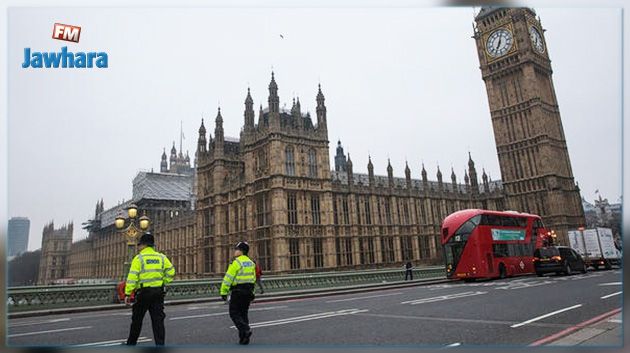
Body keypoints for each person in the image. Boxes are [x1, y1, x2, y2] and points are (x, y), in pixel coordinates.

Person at [124, 232, 175, 346]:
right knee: (158, 321)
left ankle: (131, 345)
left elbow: (132, 278)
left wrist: (127, 294)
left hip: (143, 293)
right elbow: (171, 272)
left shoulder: (139, 258)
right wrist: (163, 282)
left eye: (139, 245)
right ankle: (160, 345)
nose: (138, 247)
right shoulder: (161, 257)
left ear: (143, 245)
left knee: (137, 320)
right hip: (158, 292)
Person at [221, 241, 256, 345]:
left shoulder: (236, 263)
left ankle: (245, 329)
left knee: (234, 313)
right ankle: (244, 338)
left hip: (238, 292)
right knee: (244, 315)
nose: (235, 251)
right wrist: (253, 293)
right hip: (248, 292)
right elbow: (253, 279)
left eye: (236, 249)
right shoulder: (251, 263)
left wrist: (223, 292)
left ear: (241, 251)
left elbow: (228, 278)